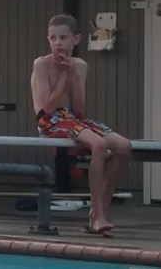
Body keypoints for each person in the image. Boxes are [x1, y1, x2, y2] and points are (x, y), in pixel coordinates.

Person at [30, 13, 132, 236]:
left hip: (73, 118)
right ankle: (99, 214)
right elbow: (47, 108)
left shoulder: (80, 65)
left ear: (76, 40)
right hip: (50, 120)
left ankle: (100, 207)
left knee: (124, 146)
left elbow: (79, 110)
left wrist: (73, 75)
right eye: (53, 38)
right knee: (98, 145)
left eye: (64, 38)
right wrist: (64, 76)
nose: (58, 43)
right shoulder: (41, 64)